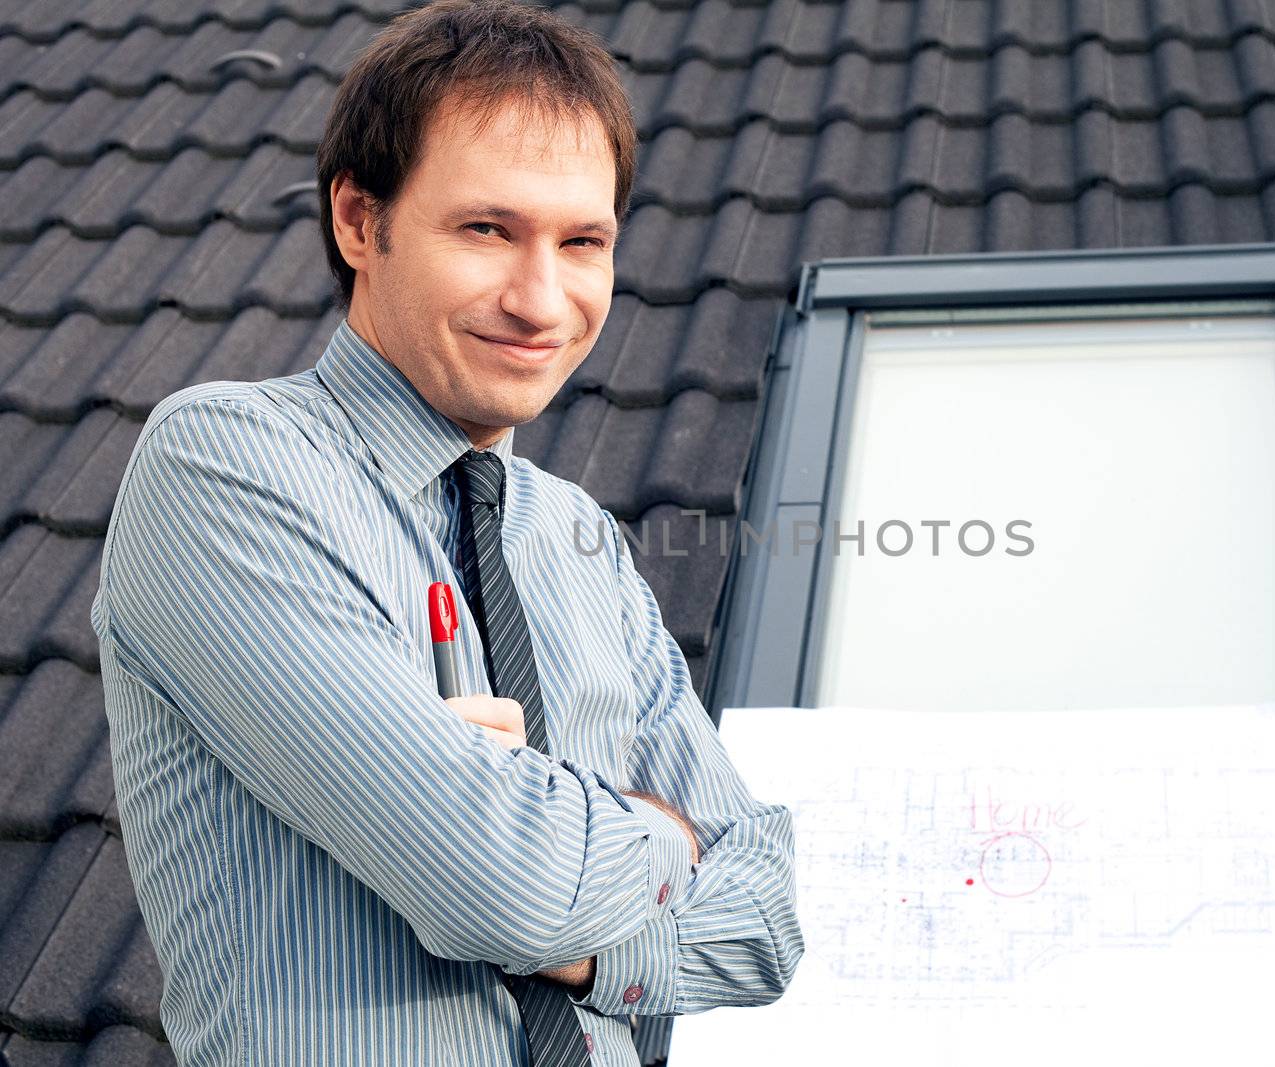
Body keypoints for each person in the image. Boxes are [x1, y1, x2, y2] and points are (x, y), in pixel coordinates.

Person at [89, 2, 802, 1063]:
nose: (540, 298)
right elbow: (502, 883)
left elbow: (769, 925)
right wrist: (667, 832)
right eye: (487, 229)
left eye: (582, 242)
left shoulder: (581, 543)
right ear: (358, 222)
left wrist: (544, 848)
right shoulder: (228, 464)